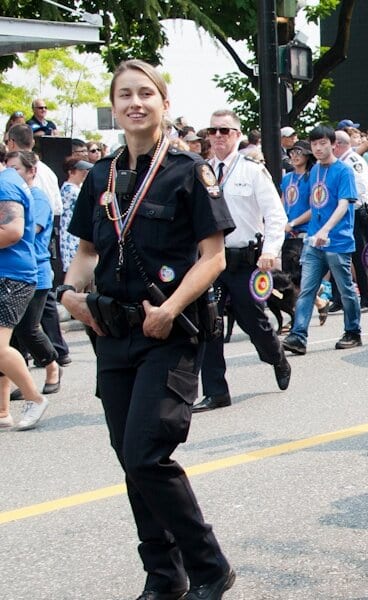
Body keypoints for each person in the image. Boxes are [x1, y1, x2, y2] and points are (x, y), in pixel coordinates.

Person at [60, 59, 236, 598]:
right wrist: (69, 292)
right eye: (124, 96)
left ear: (163, 102)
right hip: (112, 333)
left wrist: (170, 306)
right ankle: (163, 576)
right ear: (113, 107)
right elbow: (86, 251)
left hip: (169, 330)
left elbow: (213, 258)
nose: (135, 103)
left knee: (145, 453)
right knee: (129, 460)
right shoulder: (101, 175)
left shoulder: (188, 171)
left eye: (145, 94)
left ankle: (209, 566)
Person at [194, 109, 291, 413]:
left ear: (237, 135)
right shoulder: (201, 172)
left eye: (225, 131)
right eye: (213, 131)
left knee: (254, 322)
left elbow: (275, 215)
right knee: (209, 324)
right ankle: (216, 391)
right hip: (211, 261)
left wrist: (270, 251)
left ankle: (276, 355)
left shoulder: (252, 170)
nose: (219, 136)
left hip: (244, 260)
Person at [280, 125, 363, 354]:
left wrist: (325, 230)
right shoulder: (314, 171)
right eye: (314, 144)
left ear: (333, 144)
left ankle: (353, 331)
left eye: (322, 143)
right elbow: (312, 205)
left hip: (338, 240)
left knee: (345, 289)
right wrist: (304, 228)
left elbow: (344, 204)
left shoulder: (344, 171)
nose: (318, 148)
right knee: (307, 289)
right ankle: (298, 336)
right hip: (313, 242)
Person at [5, 151, 61, 401]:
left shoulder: (36, 196)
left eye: (16, 168)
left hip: (35, 271)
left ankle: (52, 367)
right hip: (19, 271)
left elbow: (30, 230)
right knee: (11, 335)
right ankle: (5, 402)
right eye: (10, 167)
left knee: (29, 329)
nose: (12, 172)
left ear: (31, 171)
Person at [0, 156, 48, 431]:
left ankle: (35, 398)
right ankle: (3, 411)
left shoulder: (5, 184)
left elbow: (11, 232)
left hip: (11, 275)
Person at [334, 129, 368, 313]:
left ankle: (367, 299)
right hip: (342, 214)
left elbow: (358, 190)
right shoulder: (340, 163)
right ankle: (338, 299)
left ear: (338, 145)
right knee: (336, 255)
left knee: (359, 257)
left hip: (356, 212)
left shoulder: (352, 161)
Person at [281, 140, 313, 278]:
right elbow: (283, 202)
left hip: (305, 234)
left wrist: (293, 223)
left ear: (307, 156)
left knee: (302, 277)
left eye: (299, 152)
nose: (294, 156)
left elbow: (315, 208)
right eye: (292, 152)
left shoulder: (313, 177)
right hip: (287, 235)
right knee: (288, 276)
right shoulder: (287, 178)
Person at [60, 157, 92, 272]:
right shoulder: (70, 190)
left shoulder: (76, 188)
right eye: (81, 170)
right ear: (71, 172)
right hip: (71, 235)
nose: (85, 173)